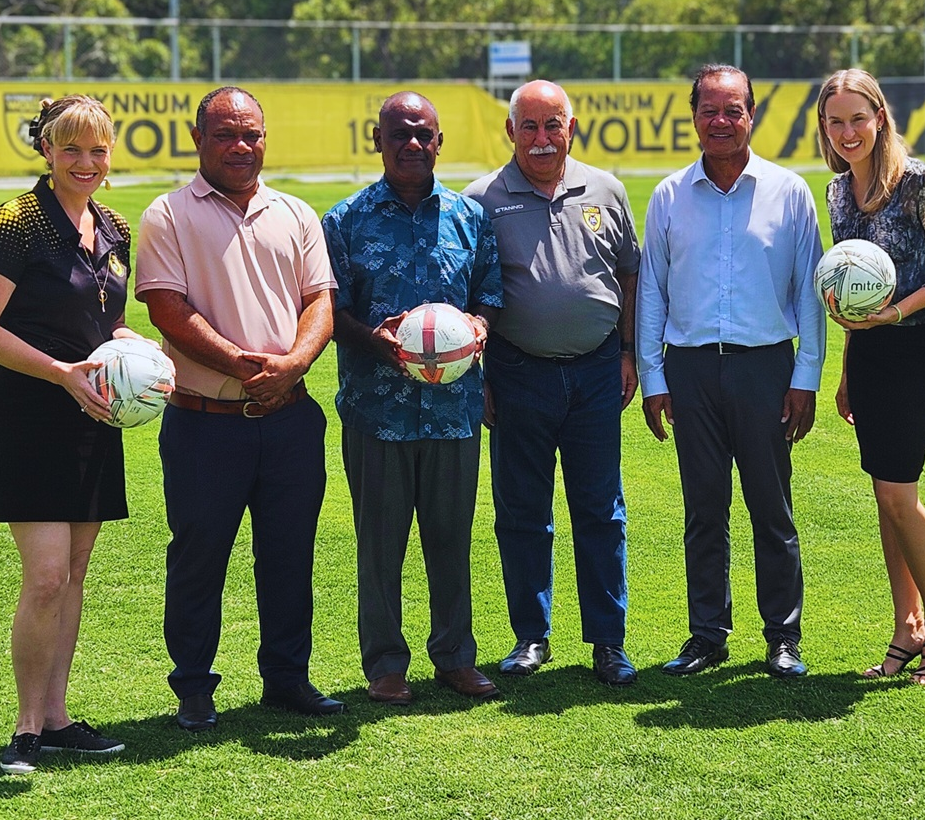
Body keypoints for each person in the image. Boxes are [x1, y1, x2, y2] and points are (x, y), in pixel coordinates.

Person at [135, 86, 343, 728]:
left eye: (250, 134)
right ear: (197, 139)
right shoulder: (168, 215)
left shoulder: (296, 213)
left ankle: (287, 678)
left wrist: (295, 364)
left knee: (289, 556)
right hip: (206, 423)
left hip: (290, 420)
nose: (240, 146)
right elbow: (166, 308)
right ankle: (194, 688)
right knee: (199, 559)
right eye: (224, 134)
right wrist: (247, 368)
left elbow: (320, 302)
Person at [0, 95, 138, 773]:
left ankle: (59, 718)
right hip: (29, 413)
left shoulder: (114, 226)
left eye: (98, 150)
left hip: (92, 413)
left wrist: (134, 350)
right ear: (46, 150)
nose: (86, 163)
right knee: (45, 576)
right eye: (71, 149)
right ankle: (27, 727)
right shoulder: (16, 222)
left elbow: (106, 324)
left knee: (75, 573)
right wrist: (61, 372)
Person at [636, 64, 826, 679]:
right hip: (690, 371)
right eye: (709, 110)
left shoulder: (789, 192)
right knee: (703, 511)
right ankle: (707, 635)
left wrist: (806, 377)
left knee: (771, 508)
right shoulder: (668, 195)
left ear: (752, 115)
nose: (720, 121)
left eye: (733, 110)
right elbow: (652, 292)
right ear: (694, 117)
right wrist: (654, 378)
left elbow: (809, 291)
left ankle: (783, 637)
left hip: (766, 369)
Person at [323, 92, 504, 705]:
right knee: (380, 545)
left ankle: (455, 657)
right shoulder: (345, 220)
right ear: (377, 140)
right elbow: (330, 312)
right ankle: (385, 665)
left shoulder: (469, 217)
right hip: (377, 413)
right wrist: (376, 343)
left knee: (451, 539)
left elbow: (490, 295)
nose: (412, 144)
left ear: (439, 141)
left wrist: (477, 326)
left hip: (453, 414)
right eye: (399, 134)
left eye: (423, 134)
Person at [463, 80, 640, 686]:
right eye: (530, 127)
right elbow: (469, 294)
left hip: (597, 372)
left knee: (601, 510)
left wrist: (627, 352)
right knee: (522, 511)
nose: (542, 139)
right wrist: (480, 376)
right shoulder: (481, 199)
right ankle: (530, 636)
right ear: (510, 131)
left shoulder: (607, 190)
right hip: (517, 373)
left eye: (553, 125)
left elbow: (629, 275)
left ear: (572, 128)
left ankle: (609, 643)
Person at [817, 69, 925, 684]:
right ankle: (905, 625)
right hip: (871, 355)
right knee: (884, 495)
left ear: (879, 117)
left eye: (858, 118)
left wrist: (897, 311)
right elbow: (850, 294)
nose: (848, 132)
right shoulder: (837, 193)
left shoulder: (919, 183)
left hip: (920, 348)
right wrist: (847, 371)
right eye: (836, 121)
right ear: (824, 127)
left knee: (898, 494)